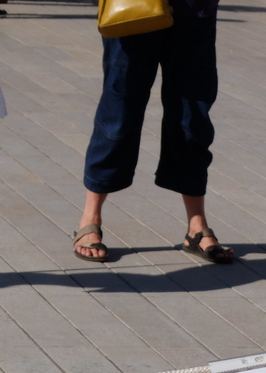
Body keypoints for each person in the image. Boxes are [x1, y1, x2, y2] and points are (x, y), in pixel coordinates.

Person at [72, 0, 233, 263]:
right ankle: (90, 217)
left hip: (196, 9)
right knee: (119, 114)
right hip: (133, 6)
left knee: (192, 119)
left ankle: (196, 226)